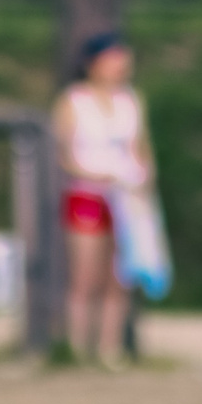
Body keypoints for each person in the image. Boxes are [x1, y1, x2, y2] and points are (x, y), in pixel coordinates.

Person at [52, 32, 154, 368]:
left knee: (119, 276)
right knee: (85, 275)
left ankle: (110, 349)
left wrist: (143, 179)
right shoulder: (73, 101)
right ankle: (78, 347)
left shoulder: (131, 102)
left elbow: (140, 149)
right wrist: (95, 176)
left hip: (125, 197)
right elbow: (63, 154)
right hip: (88, 194)